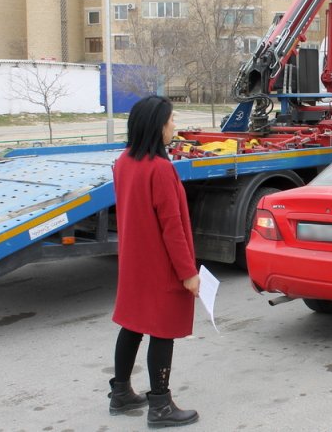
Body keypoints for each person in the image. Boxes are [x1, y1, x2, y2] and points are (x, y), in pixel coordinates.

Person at [109, 95, 200, 428]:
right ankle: (160, 405)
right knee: (163, 330)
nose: (174, 125)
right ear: (157, 125)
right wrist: (188, 273)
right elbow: (172, 227)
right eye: (171, 119)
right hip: (160, 263)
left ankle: (120, 393)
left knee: (132, 323)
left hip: (135, 261)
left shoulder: (123, 162)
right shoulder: (160, 168)